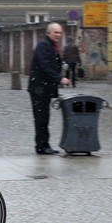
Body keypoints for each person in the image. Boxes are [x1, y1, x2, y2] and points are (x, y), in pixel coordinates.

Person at [27, 22, 70, 155]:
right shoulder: (44, 46)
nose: (58, 35)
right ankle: (42, 146)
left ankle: (44, 145)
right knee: (41, 118)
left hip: (42, 88)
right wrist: (59, 79)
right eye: (56, 32)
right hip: (39, 88)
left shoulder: (50, 45)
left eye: (60, 33)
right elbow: (45, 67)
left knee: (44, 117)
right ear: (48, 33)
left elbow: (51, 63)